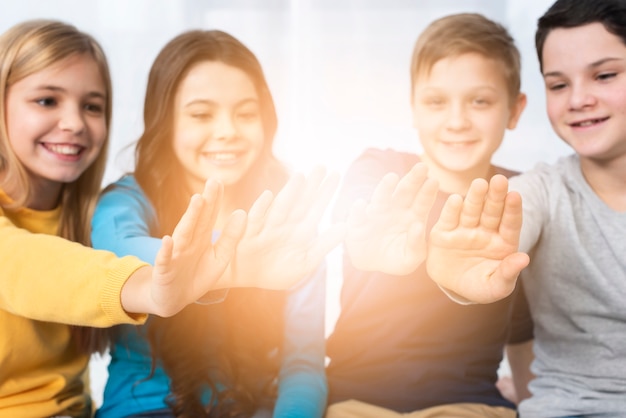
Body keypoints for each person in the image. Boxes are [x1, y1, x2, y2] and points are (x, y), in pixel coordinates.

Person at [0, 19, 256, 418]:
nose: (74, 123)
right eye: (47, 101)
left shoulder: (84, 215)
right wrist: (151, 288)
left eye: (92, 106)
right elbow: (27, 266)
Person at [91, 29, 343, 418]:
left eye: (245, 113)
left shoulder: (286, 218)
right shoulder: (125, 203)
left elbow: (303, 366)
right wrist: (237, 256)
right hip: (144, 409)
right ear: (166, 122)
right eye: (201, 114)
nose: (227, 131)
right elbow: (120, 257)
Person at [325, 13, 533, 418]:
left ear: (514, 109)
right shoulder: (380, 169)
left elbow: (522, 326)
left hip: (469, 403)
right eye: (436, 102)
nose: (457, 121)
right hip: (357, 400)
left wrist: (530, 400)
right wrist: (366, 240)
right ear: (414, 109)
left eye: (480, 101)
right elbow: (359, 211)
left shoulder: (522, 197)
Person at [426, 0, 626, 416]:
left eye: (604, 75)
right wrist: (461, 276)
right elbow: (508, 225)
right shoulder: (537, 191)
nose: (578, 99)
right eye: (557, 85)